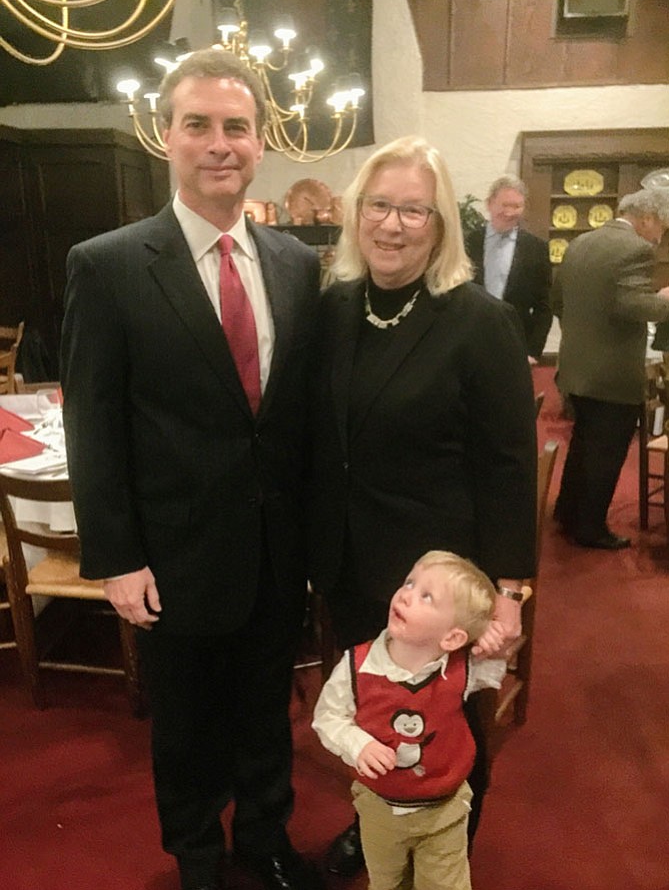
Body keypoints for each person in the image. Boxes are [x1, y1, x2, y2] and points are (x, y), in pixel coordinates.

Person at [60, 49, 322, 890]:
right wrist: (115, 556)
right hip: (171, 555)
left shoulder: (295, 264)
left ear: (261, 141)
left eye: (237, 127)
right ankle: (199, 858)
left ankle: (266, 840)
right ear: (165, 137)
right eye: (198, 125)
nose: (220, 144)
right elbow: (91, 421)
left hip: (277, 551)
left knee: (265, 711)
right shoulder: (106, 264)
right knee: (185, 725)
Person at [307, 135, 537, 876]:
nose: (393, 223)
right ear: (356, 214)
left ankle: (444, 851)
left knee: (448, 731)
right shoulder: (336, 307)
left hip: (438, 584)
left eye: (414, 209)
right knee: (372, 714)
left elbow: (507, 465)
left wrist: (507, 591)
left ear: (440, 225)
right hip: (349, 564)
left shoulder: (479, 322)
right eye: (379, 204)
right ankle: (376, 826)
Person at [313, 550, 506, 890]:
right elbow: (328, 717)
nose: (405, 594)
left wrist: (491, 639)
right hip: (379, 808)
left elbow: (497, 664)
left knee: (447, 884)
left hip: (444, 810)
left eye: (426, 597)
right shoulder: (356, 667)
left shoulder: (463, 668)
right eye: (409, 582)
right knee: (387, 882)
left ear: (452, 638)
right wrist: (359, 745)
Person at [552, 188, 669, 550]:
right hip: (611, 374)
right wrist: (664, 301)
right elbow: (630, 304)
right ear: (647, 218)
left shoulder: (581, 242)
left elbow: (559, 300)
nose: (660, 236)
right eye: (662, 228)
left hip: (576, 366)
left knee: (584, 444)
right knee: (606, 452)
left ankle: (568, 511)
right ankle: (590, 528)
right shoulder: (635, 249)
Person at [466, 175, 553, 364]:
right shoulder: (467, 242)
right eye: (505, 205)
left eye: (517, 206)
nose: (510, 212)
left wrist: (533, 351)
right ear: (489, 204)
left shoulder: (536, 248)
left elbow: (544, 305)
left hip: (516, 344)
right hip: (470, 341)